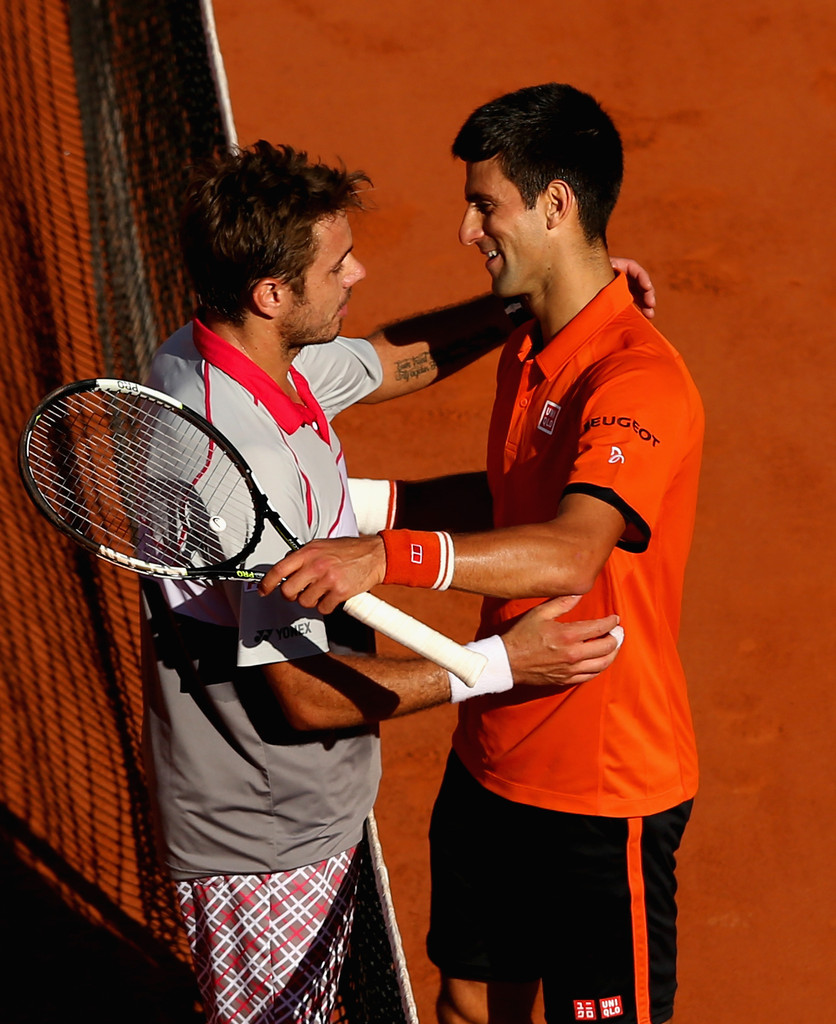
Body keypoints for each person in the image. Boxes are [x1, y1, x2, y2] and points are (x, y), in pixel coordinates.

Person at [142, 140, 658, 1024]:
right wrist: (499, 663)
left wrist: (540, 291)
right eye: (337, 263)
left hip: (300, 814)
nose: (359, 271)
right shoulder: (238, 470)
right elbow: (299, 698)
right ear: (273, 294)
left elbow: (387, 360)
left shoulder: (234, 355)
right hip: (264, 844)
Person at [260, 84, 704, 1024]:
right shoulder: (532, 344)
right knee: (467, 1006)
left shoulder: (638, 377)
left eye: (486, 205)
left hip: (600, 786)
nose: (468, 228)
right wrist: (347, 510)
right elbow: (509, 493)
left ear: (556, 206)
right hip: (492, 749)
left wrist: (386, 554)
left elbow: (575, 551)